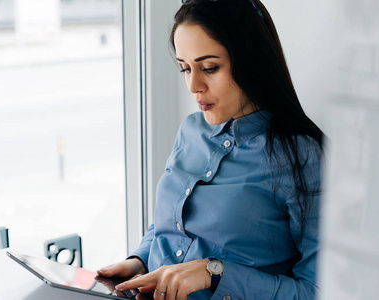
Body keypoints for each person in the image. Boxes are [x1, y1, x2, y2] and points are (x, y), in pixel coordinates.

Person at [97, 0, 324, 299]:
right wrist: (139, 261)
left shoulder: (302, 156)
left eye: (209, 68)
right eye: (185, 68)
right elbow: (171, 222)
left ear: (251, 60)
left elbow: (319, 291)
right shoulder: (191, 130)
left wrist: (214, 274)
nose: (193, 85)